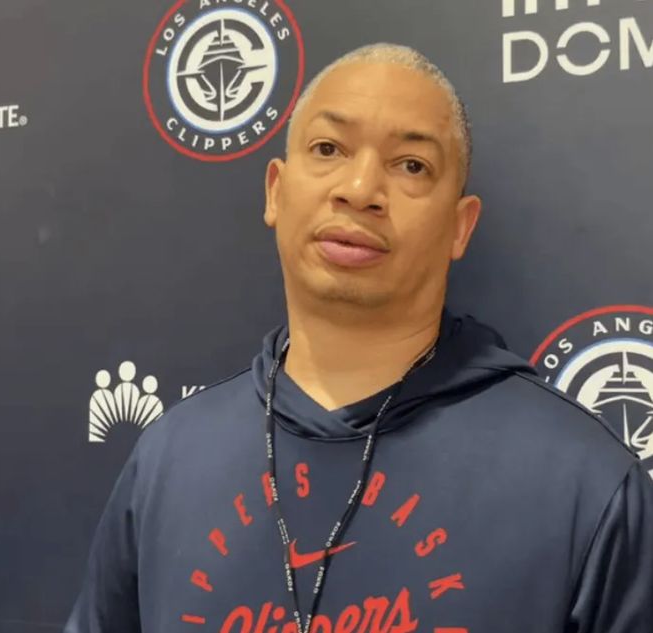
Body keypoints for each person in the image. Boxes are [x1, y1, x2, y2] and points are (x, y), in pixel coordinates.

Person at [65, 44, 653, 633]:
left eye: (411, 165)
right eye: (328, 149)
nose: (360, 187)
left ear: (460, 226)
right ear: (275, 191)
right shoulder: (169, 460)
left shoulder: (584, 483)